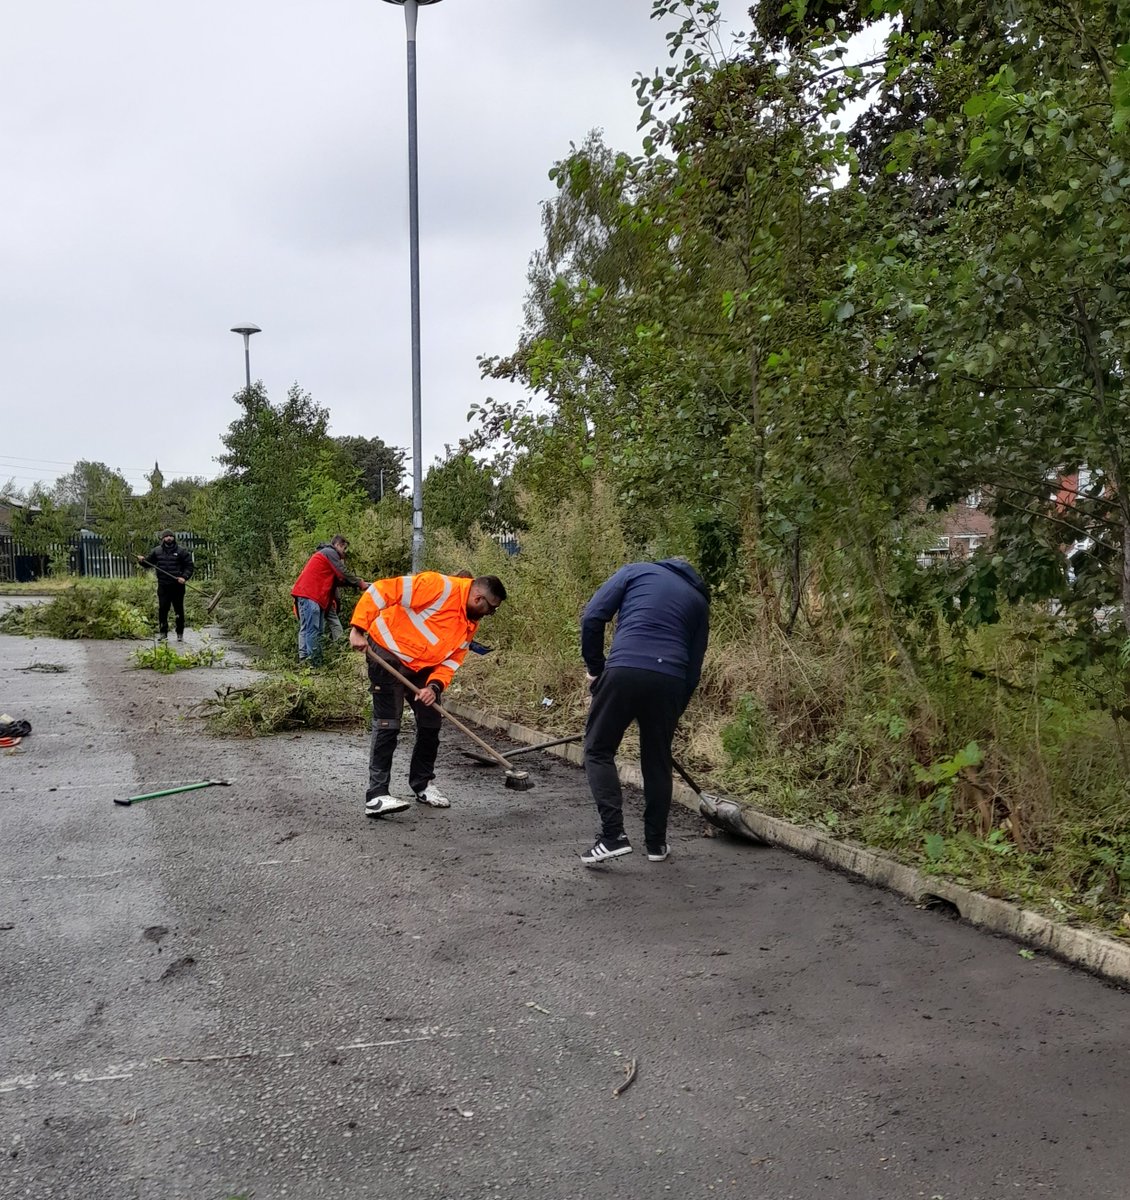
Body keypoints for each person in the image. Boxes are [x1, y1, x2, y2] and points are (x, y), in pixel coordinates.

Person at [578, 558, 710, 866]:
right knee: (657, 760)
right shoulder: (699, 600)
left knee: (597, 749)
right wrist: (675, 707)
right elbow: (694, 668)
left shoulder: (635, 571)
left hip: (625, 668)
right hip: (671, 680)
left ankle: (613, 836)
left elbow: (592, 618)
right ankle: (656, 844)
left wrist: (596, 670)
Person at [348, 571, 507, 816]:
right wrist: (358, 628)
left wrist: (433, 687)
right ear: (478, 598)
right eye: (491, 609)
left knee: (431, 722)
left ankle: (422, 784)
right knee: (388, 723)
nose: (490, 614)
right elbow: (381, 590)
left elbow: (452, 661)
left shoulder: (469, 622)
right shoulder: (438, 587)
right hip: (386, 653)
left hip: (422, 667)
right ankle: (377, 795)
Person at [290, 536, 367, 666]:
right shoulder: (330, 552)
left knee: (308, 629)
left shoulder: (323, 555)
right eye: (344, 548)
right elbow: (342, 572)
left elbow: (338, 580)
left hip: (307, 594)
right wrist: (359, 583)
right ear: (338, 544)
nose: (344, 553)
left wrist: (355, 584)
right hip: (310, 595)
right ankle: (315, 663)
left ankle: (304, 661)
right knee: (314, 629)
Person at [136, 530, 195, 642]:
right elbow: (148, 563)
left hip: (177, 586)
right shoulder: (156, 551)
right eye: (166, 536)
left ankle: (180, 634)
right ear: (163, 538)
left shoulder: (181, 551)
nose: (168, 538)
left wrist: (184, 577)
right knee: (163, 609)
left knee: (178, 610)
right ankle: (163, 633)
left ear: (174, 538)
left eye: (170, 536)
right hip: (163, 586)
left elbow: (189, 566)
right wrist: (142, 561)